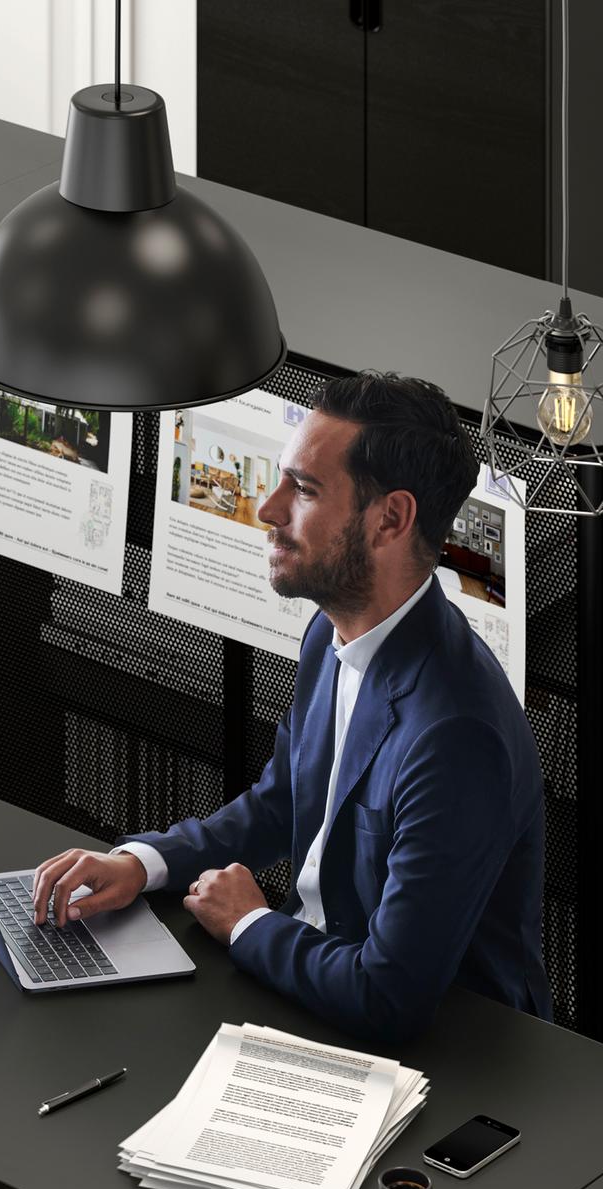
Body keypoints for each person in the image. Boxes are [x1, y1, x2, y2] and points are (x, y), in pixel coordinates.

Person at [32, 372, 551, 1043]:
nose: (267, 509)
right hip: (307, 978)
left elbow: (390, 994)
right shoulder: (334, 630)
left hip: (435, 1051)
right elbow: (283, 802)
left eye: (303, 490)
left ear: (390, 519)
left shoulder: (456, 735)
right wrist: (142, 864)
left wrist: (248, 923)